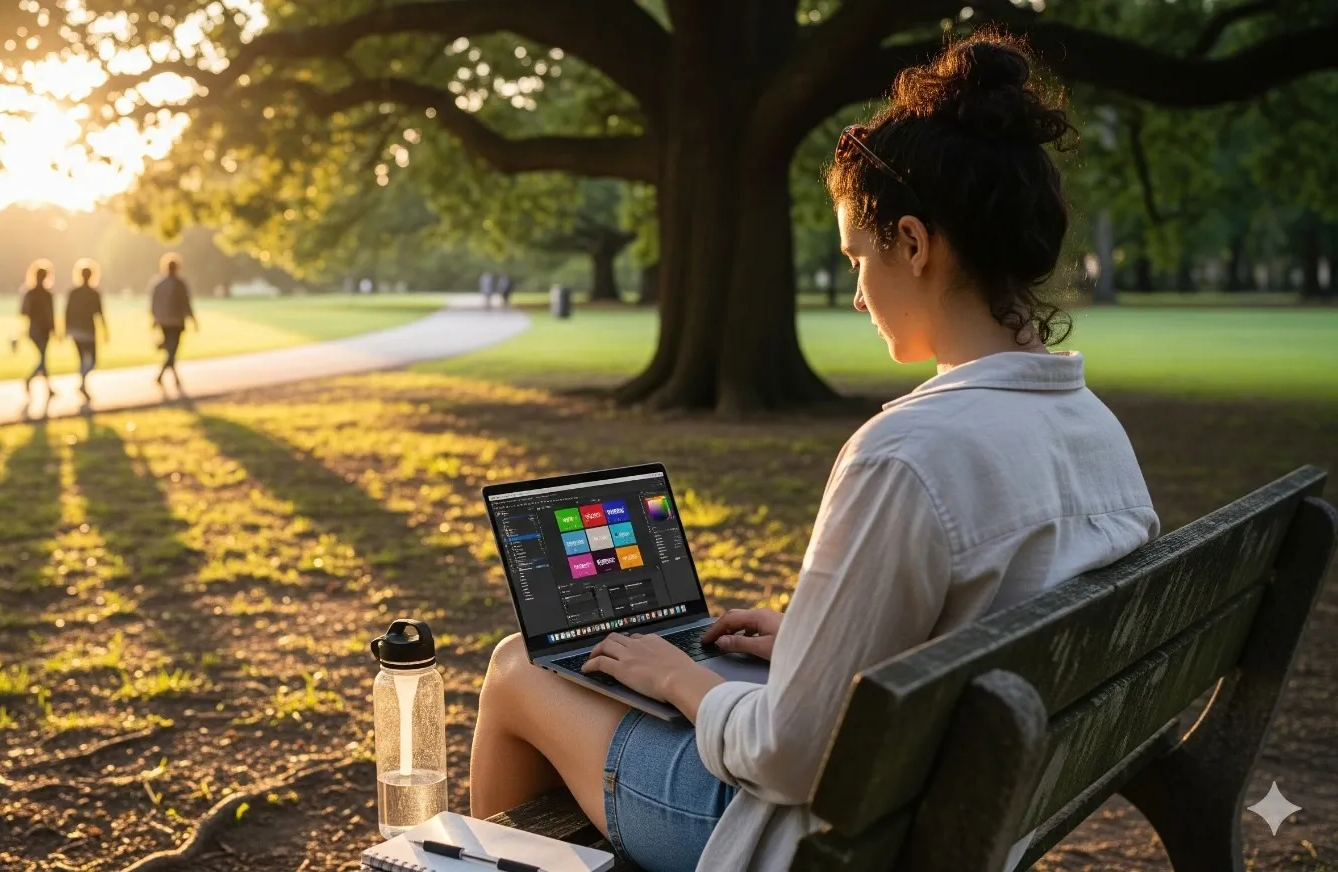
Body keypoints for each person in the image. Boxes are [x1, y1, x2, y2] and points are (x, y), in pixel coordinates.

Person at [467, 31, 1161, 872]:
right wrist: (810, 643)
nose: (860, 290)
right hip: (961, 807)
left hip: (820, 840)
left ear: (913, 243)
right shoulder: (1094, 429)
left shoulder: (903, 454)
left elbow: (792, 755)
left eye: (858, 258)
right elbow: (971, 629)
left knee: (516, 670)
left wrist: (679, 680)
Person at [149, 252, 198, 388]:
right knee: (173, 349)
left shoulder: (159, 284)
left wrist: (154, 319)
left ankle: (171, 377)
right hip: (176, 322)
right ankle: (166, 376)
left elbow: (153, 304)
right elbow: (186, 303)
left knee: (171, 349)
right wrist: (193, 320)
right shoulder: (180, 284)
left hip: (164, 321)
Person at [64, 258, 108, 403]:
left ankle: (82, 381)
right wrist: (105, 330)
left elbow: (67, 312)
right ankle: (83, 382)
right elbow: (99, 314)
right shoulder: (93, 293)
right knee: (92, 360)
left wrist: (66, 329)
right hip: (87, 330)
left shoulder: (74, 292)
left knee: (83, 359)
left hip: (76, 329)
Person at [19, 260, 57, 398]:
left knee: (43, 358)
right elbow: (50, 314)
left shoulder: (29, 293)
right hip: (43, 330)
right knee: (42, 359)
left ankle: (48, 388)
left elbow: (23, 312)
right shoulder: (46, 294)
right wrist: (54, 329)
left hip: (33, 329)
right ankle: (30, 380)